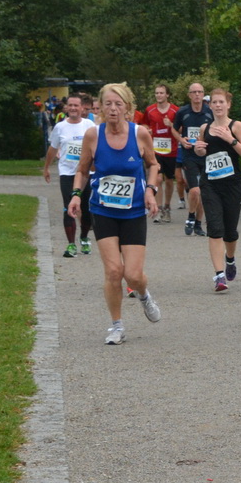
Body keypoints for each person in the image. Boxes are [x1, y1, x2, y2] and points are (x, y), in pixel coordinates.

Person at [69, 83, 164, 345]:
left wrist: (150, 190)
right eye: (108, 104)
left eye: (118, 104)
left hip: (133, 211)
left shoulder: (140, 134)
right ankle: (116, 325)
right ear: (100, 107)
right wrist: (76, 195)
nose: (113, 109)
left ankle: (144, 296)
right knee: (113, 271)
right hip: (103, 209)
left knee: (133, 275)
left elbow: (154, 164)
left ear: (127, 108)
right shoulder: (93, 135)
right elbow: (82, 169)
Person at [192, 88, 241, 292]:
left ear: (228, 105)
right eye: (215, 103)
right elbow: (200, 150)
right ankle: (219, 276)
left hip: (232, 185)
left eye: (221, 102)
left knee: (230, 231)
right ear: (210, 106)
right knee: (215, 228)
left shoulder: (236, 126)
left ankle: (230, 259)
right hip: (210, 184)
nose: (218, 106)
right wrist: (199, 149)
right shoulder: (205, 127)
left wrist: (231, 140)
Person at [42, 94, 96, 257]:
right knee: (69, 207)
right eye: (70, 105)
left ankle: (84, 238)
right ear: (66, 107)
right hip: (67, 172)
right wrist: (46, 167)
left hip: (87, 173)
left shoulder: (89, 125)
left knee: (86, 209)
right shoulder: (60, 127)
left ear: (82, 108)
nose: (73, 108)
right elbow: (53, 148)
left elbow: (97, 147)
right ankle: (71, 244)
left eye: (76, 105)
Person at [174, 82, 212, 236]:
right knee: (194, 190)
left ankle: (198, 223)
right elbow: (174, 129)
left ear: (203, 95)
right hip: (189, 155)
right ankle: (190, 216)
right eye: (194, 92)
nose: (197, 95)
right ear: (189, 95)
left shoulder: (209, 112)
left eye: (200, 92)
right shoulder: (182, 112)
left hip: (206, 156)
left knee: (203, 192)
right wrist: (181, 140)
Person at [141, 84, 181, 222]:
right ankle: (157, 208)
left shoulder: (175, 111)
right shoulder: (150, 110)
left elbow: (182, 129)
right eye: (157, 93)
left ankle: (167, 207)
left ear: (167, 95)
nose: (158, 95)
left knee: (169, 180)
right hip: (155, 149)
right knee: (157, 178)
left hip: (171, 150)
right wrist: (148, 130)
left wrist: (171, 125)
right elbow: (144, 124)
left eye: (161, 93)